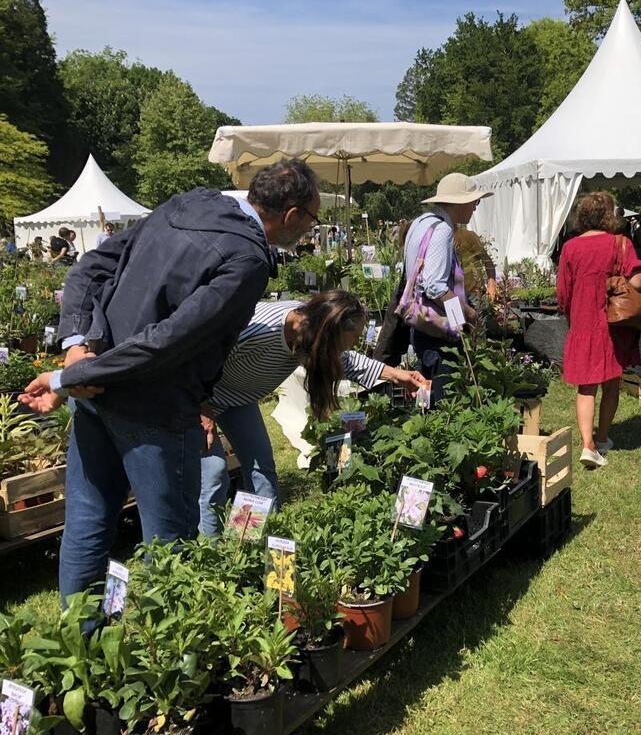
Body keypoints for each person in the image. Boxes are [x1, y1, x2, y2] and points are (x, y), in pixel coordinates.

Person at [19, 158, 321, 600]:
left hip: (96, 393)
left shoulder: (186, 205)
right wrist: (72, 371)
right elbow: (170, 341)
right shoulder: (248, 258)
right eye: (312, 219)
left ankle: (83, 651)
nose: (310, 230)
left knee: (88, 521)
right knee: (171, 546)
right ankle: (172, 664)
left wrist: (77, 350)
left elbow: (88, 269)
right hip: (155, 409)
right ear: (292, 215)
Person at [198, 290, 425, 536]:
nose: (357, 341)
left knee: (260, 466)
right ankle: (211, 555)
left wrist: (397, 375)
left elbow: (347, 361)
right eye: (355, 335)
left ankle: (257, 543)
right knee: (215, 474)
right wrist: (200, 405)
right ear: (333, 330)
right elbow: (197, 353)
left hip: (240, 397)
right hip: (197, 393)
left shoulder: (313, 333)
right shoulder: (260, 329)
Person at [556, 191, 641, 469]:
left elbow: (562, 294)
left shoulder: (570, 248)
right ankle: (603, 437)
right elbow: (638, 281)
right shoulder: (620, 244)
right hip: (612, 324)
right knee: (611, 383)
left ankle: (587, 444)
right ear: (610, 215)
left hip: (582, 322)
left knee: (586, 386)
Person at [401, 173, 489, 393]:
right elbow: (435, 286)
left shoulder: (420, 223)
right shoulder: (442, 230)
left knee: (425, 394)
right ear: (460, 203)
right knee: (443, 396)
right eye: (474, 202)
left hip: (421, 323)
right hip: (437, 330)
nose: (475, 208)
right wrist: (468, 314)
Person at [453, 227, 498, 303]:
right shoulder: (438, 238)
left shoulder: (467, 235)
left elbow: (487, 260)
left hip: (475, 294)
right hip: (452, 295)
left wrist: (491, 283)